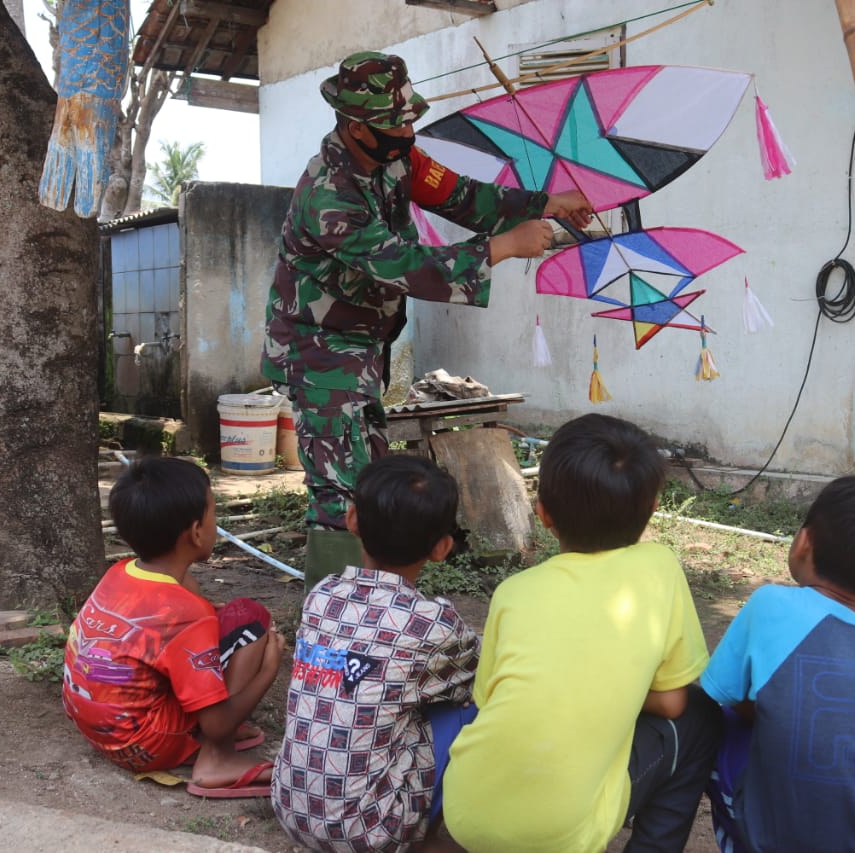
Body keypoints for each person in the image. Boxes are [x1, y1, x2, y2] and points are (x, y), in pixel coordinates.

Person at [260, 50, 594, 587]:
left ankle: (367, 604)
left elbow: (465, 198)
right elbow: (404, 266)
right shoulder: (330, 194)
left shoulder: (397, 158)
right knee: (341, 486)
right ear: (355, 126)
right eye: (395, 122)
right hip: (318, 350)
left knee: (364, 472)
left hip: (358, 343)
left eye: (409, 116)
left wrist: (545, 203)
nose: (407, 129)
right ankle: (333, 620)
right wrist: (501, 248)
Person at [443, 414, 723, 853]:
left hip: (466, 812)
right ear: (652, 509)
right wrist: (614, 687)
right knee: (701, 717)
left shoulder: (513, 592)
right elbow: (672, 703)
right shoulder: (660, 568)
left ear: (543, 514)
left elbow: (492, 697)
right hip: (559, 836)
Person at [701, 476, 855, 853]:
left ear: (804, 542)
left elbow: (717, 695)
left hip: (782, 839)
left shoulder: (770, 604)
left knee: (704, 722)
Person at [271, 454, 481, 852]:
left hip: (290, 807)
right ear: (442, 548)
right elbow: (481, 676)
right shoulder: (433, 624)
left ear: (352, 521)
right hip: (369, 835)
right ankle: (432, 833)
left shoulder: (322, 596)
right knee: (473, 706)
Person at [62, 456, 285, 798]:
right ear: (196, 532)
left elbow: (174, 609)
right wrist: (268, 668)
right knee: (249, 618)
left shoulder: (120, 572)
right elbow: (218, 721)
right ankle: (216, 759)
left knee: (224, 619)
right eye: (213, 512)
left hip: (101, 731)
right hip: (145, 744)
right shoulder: (186, 614)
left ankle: (198, 737)